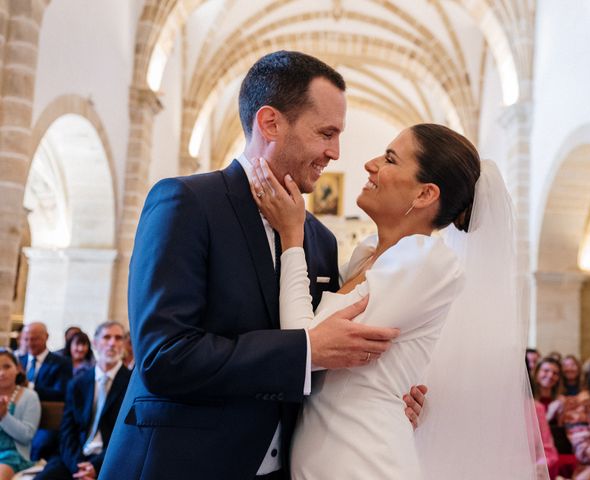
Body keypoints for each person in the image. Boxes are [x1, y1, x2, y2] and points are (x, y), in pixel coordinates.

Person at [100, 51, 424, 480]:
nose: (335, 152)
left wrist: (388, 398)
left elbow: (322, 361)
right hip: (180, 463)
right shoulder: (186, 203)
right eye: (326, 133)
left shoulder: (319, 239)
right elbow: (164, 356)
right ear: (270, 123)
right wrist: (306, 349)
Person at [250, 123, 544, 478]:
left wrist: (292, 237)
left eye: (389, 159)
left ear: (424, 195)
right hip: (327, 454)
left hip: (364, 460)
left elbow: (303, 346)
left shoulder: (428, 262)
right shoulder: (366, 256)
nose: (370, 164)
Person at [36, 321, 130, 480]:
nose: (112, 343)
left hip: (111, 459)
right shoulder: (78, 383)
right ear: (95, 342)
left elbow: (127, 435)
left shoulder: (131, 384)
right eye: (107, 337)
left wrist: (96, 467)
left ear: (124, 344)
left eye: (118, 338)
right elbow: (67, 431)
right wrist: (78, 466)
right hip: (76, 456)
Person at [18, 322, 72, 460]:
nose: (30, 343)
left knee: (37, 447)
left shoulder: (62, 363)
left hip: (46, 419)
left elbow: (61, 393)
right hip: (18, 416)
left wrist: (29, 387)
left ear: (46, 337)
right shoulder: (18, 361)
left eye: (34, 339)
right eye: (26, 339)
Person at [0, 349, 40, 479]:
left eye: (7, 367)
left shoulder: (30, 396)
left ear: (17, 368)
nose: (1, 373)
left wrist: (4, 416)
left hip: (12, 455)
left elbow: (26, 435)